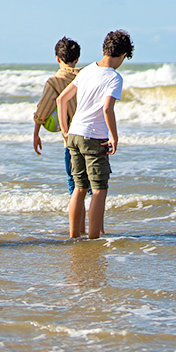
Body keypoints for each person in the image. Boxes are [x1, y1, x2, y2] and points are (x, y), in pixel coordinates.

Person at [57, 30, 133, 240]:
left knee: (79, 188)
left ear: (103, 49)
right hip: (93, 137)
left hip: (74, 134)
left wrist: (65, 130)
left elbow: (62, 100)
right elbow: (107, 109)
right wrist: (114, 137)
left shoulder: (87, 70)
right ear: (123, 55)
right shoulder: (114, 77)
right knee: (99, 190)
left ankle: (73, 237)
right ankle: (92, 239)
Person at [32, 37, 81, 198]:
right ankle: (93, 217)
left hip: (72, 140)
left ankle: (77, 220)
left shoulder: (55, 81)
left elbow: (43, 108)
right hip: (94, 135)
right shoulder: (86, 76)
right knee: (93, 184)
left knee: (74, 182)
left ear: (58, 59)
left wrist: (36, 133)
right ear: (77, 59)